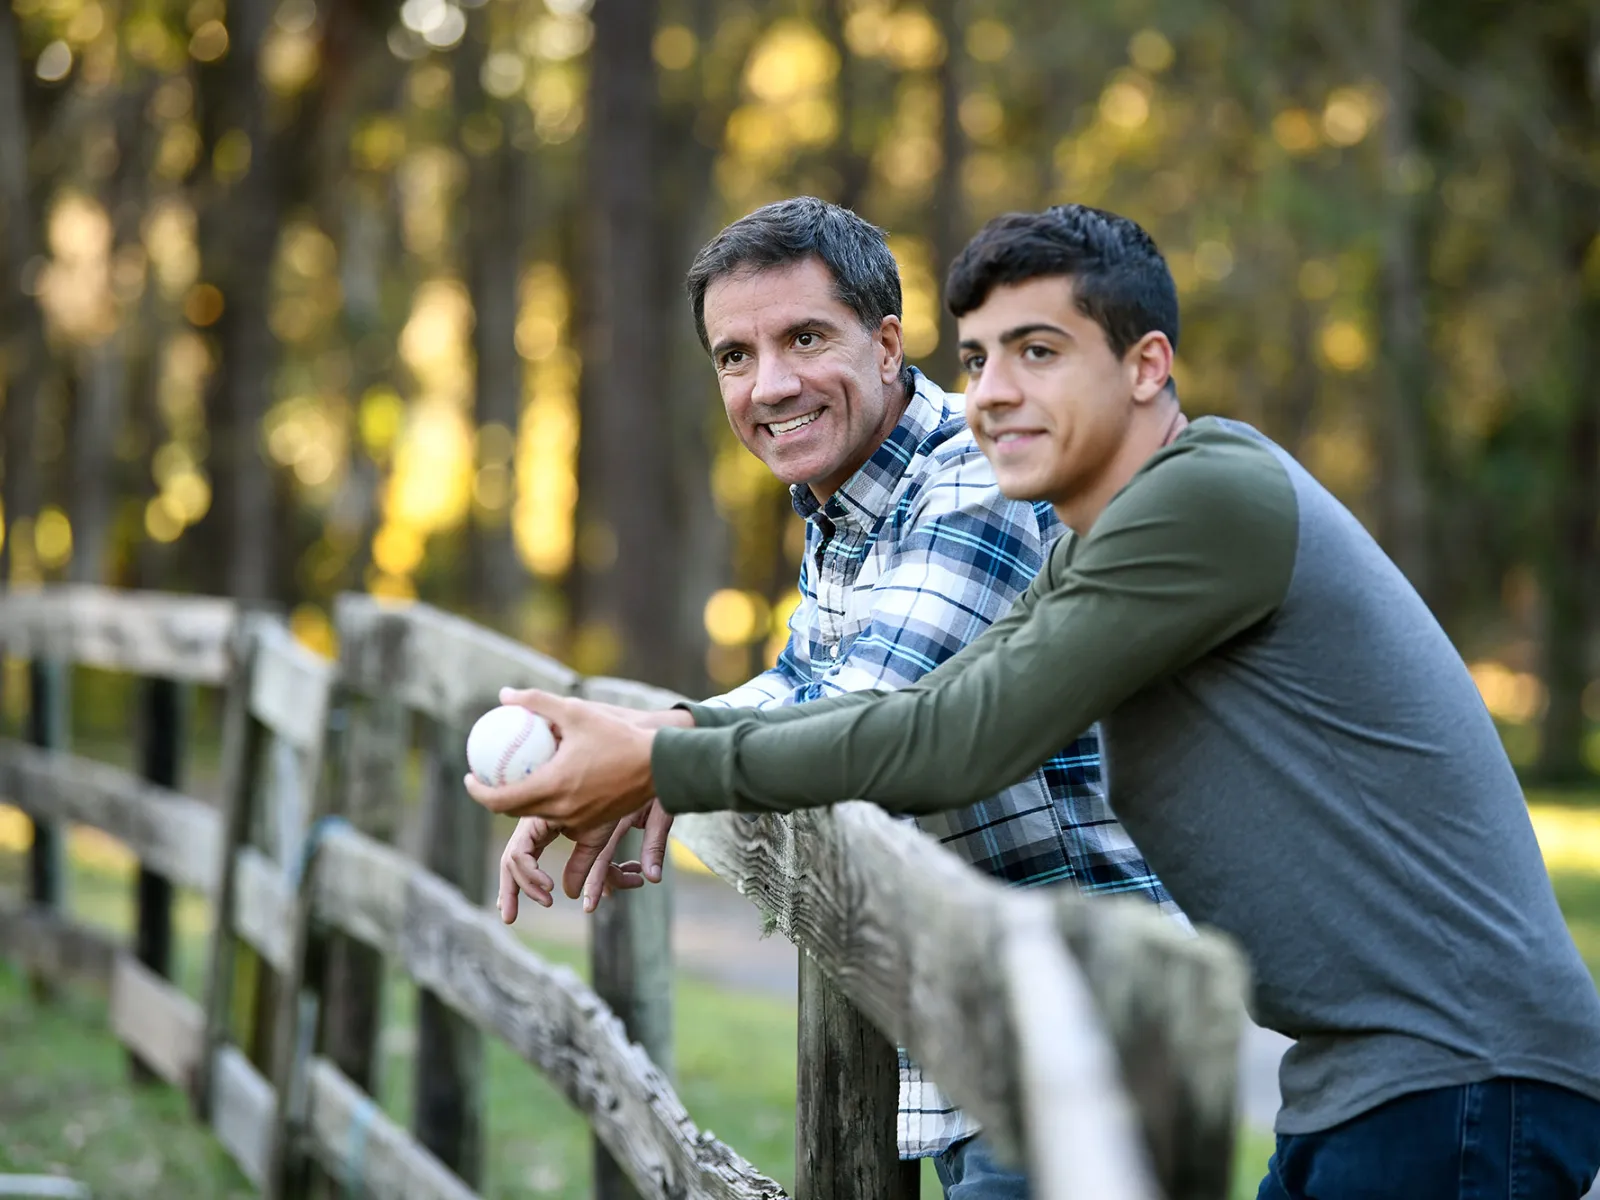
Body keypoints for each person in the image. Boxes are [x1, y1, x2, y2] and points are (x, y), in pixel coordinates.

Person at [469, 203, 1600, 1199]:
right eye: (981, 357)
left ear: (1146, 366)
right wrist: (651, 742)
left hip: (1460, 1072)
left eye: (1039, 352)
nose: (995, 392)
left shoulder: (1206, 499)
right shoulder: (1099, 539)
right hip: (1363, 1080)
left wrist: (659, 760)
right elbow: (943, 696)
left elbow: (949, 738)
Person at [492, 196, 1179, 1196]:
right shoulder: (851, 504)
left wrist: (652, 760)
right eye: (735, 356)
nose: (769, 384)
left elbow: (868, 708)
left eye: (804, 338)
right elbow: (799, 686)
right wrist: (614, 754)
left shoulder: (974, 478)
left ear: (887, 345)